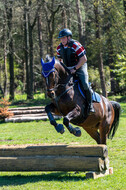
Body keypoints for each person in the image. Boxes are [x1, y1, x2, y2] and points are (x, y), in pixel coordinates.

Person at [56, 28, 95, 115]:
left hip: (80, 65)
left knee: (84, 83)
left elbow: (84, 59)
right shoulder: (59, 48)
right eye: (61, 38)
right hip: (68, 68)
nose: (62, 40)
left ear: (69, 37)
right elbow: (60, 61)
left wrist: (75, 68)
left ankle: (90, 105)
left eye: (63, 38)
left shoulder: (76, 45)